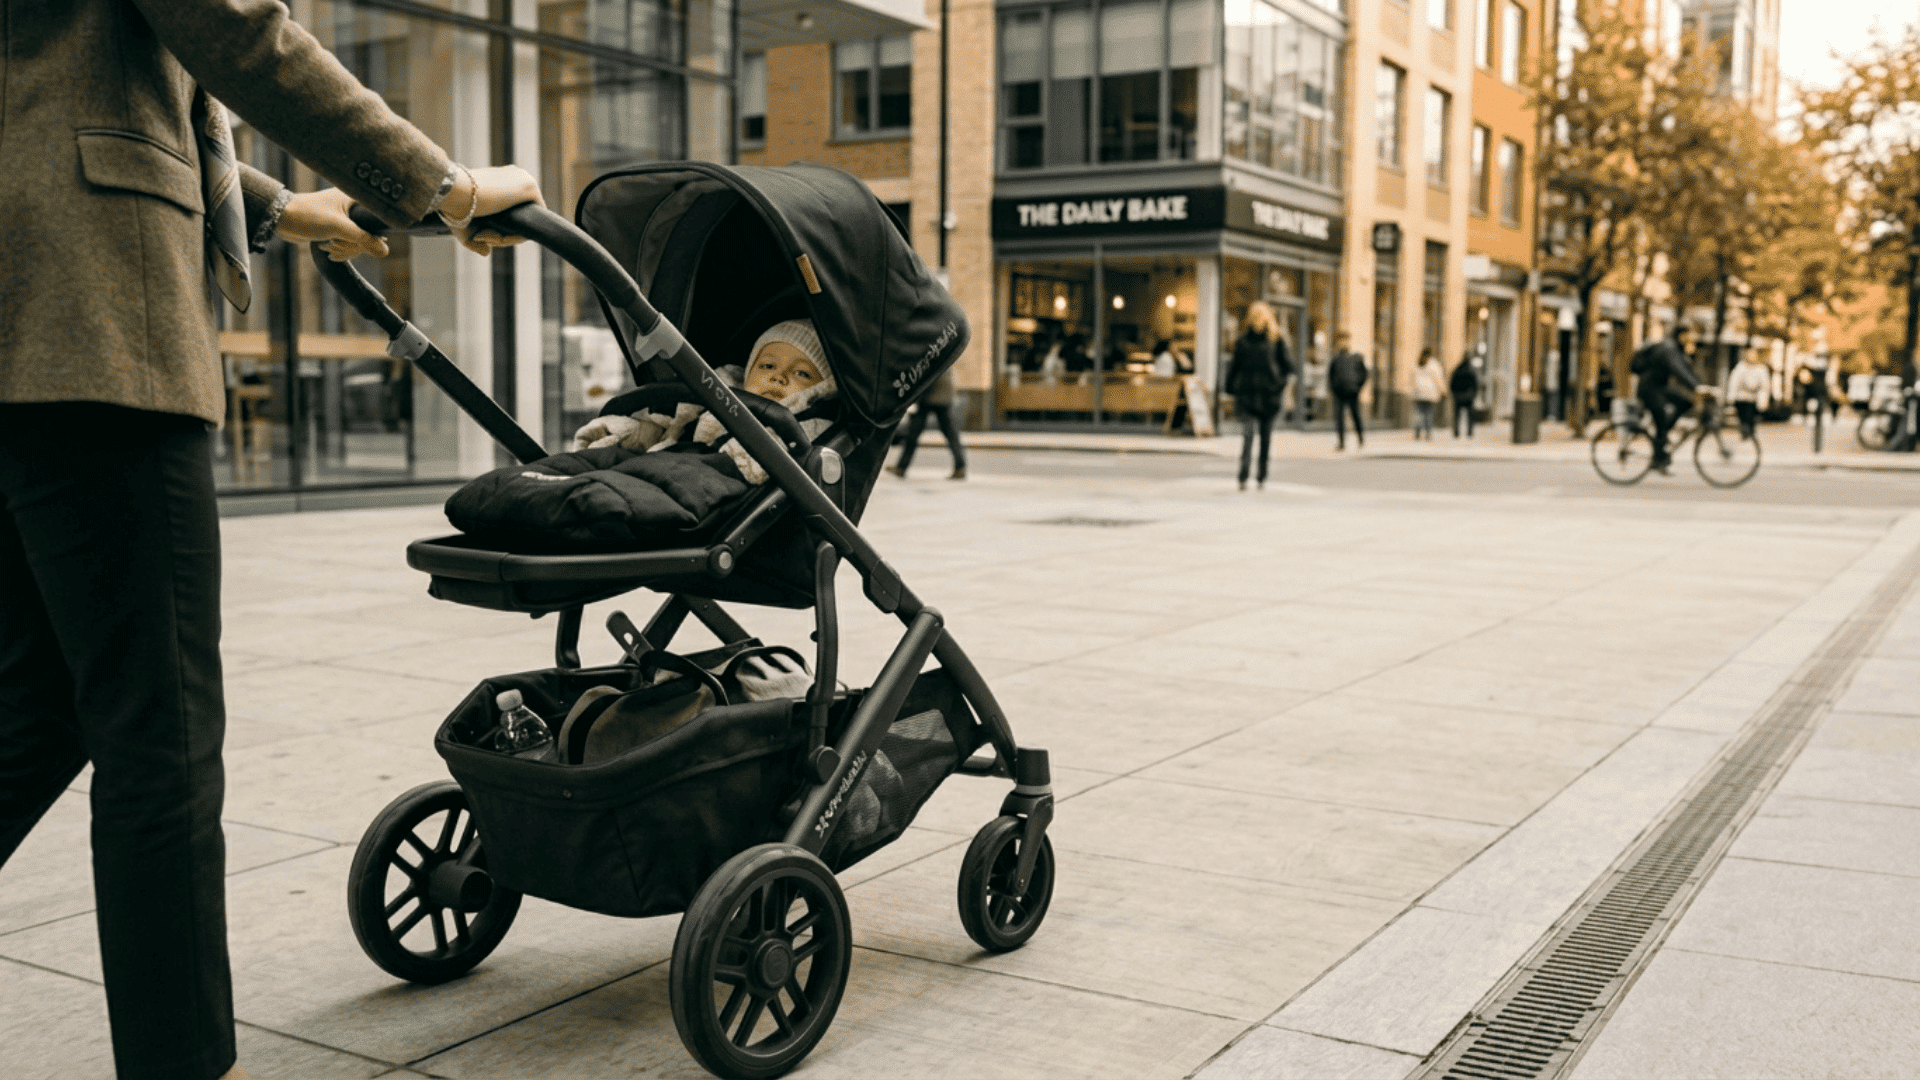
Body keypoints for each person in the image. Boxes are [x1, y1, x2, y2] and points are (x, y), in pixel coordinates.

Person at [0, 5, 542, 1079]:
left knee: (45, 702)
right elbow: (232, 26)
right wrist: (441, 186)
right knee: (161, 732)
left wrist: (284, 205)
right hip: (99, 318)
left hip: (30, 307)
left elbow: (68, 87)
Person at [1224, 301, 1289, 490]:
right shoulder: (1243, 341)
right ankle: (1243, 474)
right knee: (1248, 435)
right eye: (1254, 317)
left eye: (1261, 317)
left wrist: (1278, 385)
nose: (1257, 321)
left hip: (1269, 397)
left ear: (1267, 318)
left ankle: (1261, 475)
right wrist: (1230, 388)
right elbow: (1235, 366)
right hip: (1248, 395)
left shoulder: (1276, 340)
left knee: (1265, 438)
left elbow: (1287, 367)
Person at [1631, 323, 1702, 473]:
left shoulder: (1676, 349)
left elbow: (1687, 370)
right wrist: (1696, 387)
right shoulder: (1668, 348)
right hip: (1649, 389)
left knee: (1686, 402)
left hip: (1660, 388)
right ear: (1681, 335)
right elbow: (1679, 370)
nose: (1691, 337)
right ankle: (1659, 454)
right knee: (1661, 416)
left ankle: (1662, 437)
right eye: (1689, 334)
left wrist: (1701, 385)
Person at [888, 368, 968, 481]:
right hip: (943, 394)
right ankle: (960, 467)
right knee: (950, 434)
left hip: (930, 394)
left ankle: (901, 467)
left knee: (913, 433)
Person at [1327, 332, 1368, 451]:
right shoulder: (1336, 360)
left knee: (1355, 415)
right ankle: (1341, 442)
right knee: (1340, 418)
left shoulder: (1355, 358)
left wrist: (1358, 387)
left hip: (1352, 392)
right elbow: (1330, 376)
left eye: (1345, 341)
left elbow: (1364, 374)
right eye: (1341, 341)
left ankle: (1360, 438)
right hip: (1339, 392)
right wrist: (1334, 389)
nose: (1343, 343)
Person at [1726, 350, 1771, 438]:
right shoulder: (1740, 367)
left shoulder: (1761, 369)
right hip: (1741, 398)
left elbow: (1765, 386)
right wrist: (1731, 397)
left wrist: (1763, 401)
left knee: (1750, 417)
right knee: (1743, 417)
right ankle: (1745, 432)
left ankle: (1749, 433)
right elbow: (1733, 383)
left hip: (1753, 399)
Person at [1411, 347, 1444, 440]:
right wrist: (1442, 390)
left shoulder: (1417, 363)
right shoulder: (1434, 364)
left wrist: (1413, 390)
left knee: (1419, 412)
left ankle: (1417, 429)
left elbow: (1412, 378)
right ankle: (1428, 432)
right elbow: (1438, 379)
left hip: (1419, 393)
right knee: (1428, 413)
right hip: (1430, 393)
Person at [1450, 353, 1481, 438]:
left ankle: (1456, 431)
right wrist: (1474, 394)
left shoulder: (1457, 369)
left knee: (1457, 415)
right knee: (1470, 415)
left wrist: (1453, 393)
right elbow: (1476, 384)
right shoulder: (1472, 370)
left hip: (1458, 395)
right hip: (1469, 396)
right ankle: (1470, 431)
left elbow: (1452, 382)